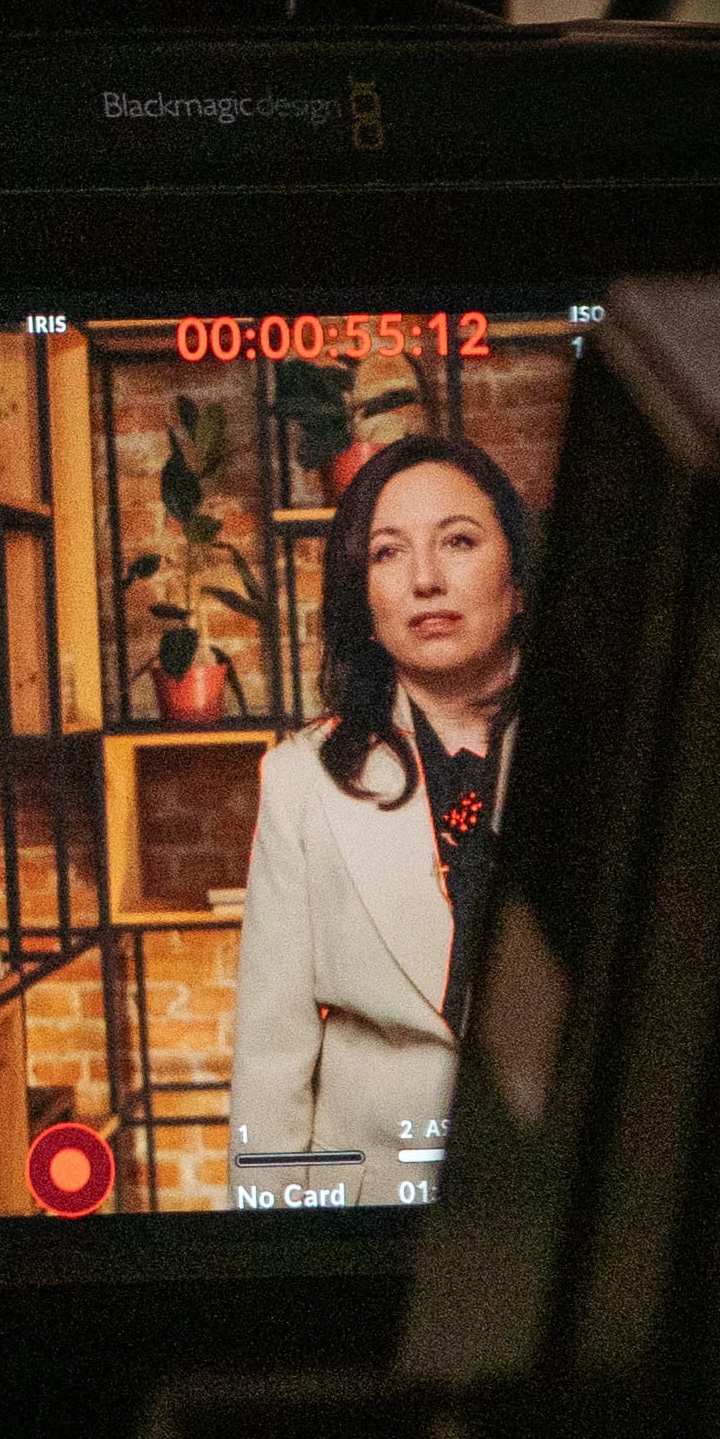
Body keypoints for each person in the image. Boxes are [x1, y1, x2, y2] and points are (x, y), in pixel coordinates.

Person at [234, 430, 534, 1191]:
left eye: (458, 541)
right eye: (389, 553)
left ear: (520, 578)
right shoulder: (301, 779)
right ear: (363, 602)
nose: (425, 580)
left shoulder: (615, 746)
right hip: (375, 1209)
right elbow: (271, 1061)